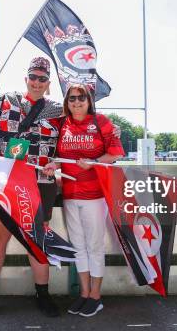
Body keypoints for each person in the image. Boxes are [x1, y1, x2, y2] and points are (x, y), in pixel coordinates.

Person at [0, 57, 63, 322]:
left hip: (39, 182)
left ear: (48, 83)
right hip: (2, 178)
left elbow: (65, 148)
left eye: (42, 78)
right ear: (26, 79)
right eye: (33, 76)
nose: (36, 82)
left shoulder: (59, 111)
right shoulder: (5, 99)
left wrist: (56, 162)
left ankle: (42, 295)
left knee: (37, 238)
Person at [43, 83, 124, 318]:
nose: (76, 102)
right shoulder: (62, 125)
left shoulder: (102, 122)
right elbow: (59, 158)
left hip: (95, 196)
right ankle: (85, 293)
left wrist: (94, 161)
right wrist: (52, 166)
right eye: (72, 98)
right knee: (78, 247)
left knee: (94, 246)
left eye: (81, 98)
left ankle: (96, 297)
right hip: (70, 195)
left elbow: (116, 154)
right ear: (66, 102)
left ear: (89, 101)